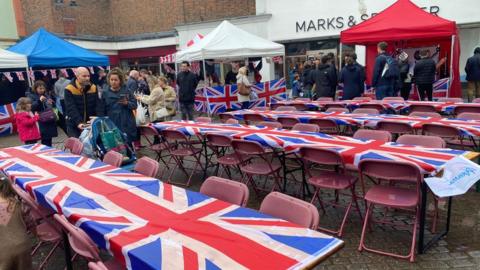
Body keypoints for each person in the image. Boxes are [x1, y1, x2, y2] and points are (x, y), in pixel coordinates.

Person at [0, 177, 34, 270]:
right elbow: (30, 223)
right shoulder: (16, 203)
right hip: (22, 245)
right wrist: (37, 233)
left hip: (2, 250)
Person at [100, 68, 137, 144]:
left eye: (116, 80)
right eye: (111, 80)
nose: (113, 82)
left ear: (120, 80)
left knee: (128, 146)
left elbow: (135, 105)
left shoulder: (126, 90)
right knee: (115, 146)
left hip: (126, 123)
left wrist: (127, 103)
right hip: (112, 123)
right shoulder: (105, 93)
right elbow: (102, 110)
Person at [64, 67, 103, 138]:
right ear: (77, 76)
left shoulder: (93, 87)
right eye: (84, 76)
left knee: (91, 146)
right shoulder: (69, 89)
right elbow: (71, 107)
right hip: (74, 124)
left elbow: (98, 104)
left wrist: (98, 117)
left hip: (90, 123)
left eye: (88, 76)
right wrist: (78, 122)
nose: (87, 78)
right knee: (77, 146)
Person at [27, 81, 58, 147]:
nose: (42, 90)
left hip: (49, 119)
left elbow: (53, 106)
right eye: (40, 88)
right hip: (40, 120)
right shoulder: (31, 96)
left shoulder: (46, 95)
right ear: (35, 88)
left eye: (43, 88)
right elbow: (31, 107)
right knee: (44, 139)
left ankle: (49, 151)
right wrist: (39, 101)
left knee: (49, 139)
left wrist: (51, 102)